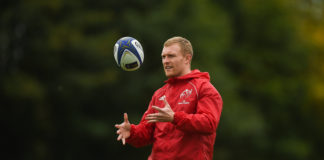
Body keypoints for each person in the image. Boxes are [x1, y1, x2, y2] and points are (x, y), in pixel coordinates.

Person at [115, 36, 223, 160]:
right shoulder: (159, 94)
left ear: (187, 58)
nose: (165, 61)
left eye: (171, 56)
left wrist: (175, 118)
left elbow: (209, 123)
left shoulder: (203, 88)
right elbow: (146, 132)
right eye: (163, 57)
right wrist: (131, 132)